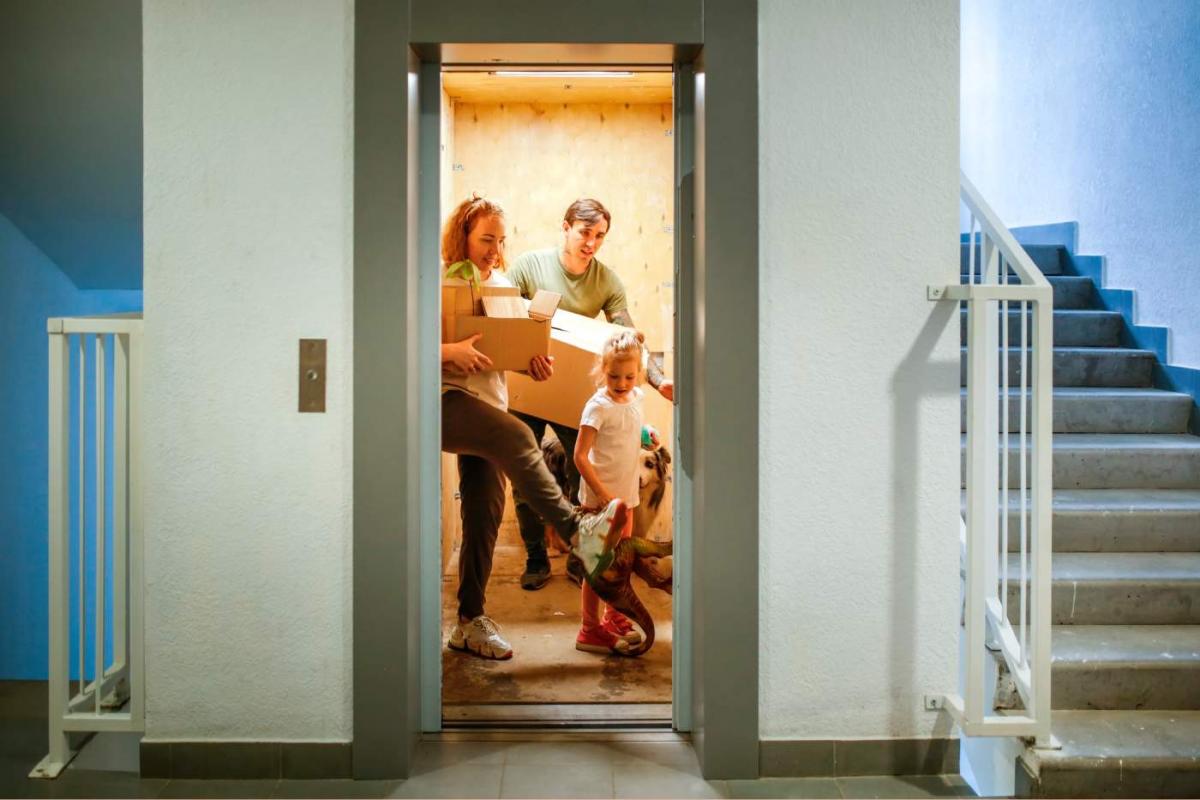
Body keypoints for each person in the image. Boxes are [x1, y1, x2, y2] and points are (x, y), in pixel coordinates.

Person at [439, 195, 624, 660]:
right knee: (520, 436)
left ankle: (469, 623)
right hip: (442, 399)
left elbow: (502, 350)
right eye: (485, 239)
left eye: (500, 240)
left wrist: (529, 364)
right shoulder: (438, 281)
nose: (494, 250)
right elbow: (401, 341)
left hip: (486, 402)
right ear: (461, 234)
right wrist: (448, 353)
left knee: (482, 514)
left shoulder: (499, 284)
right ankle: (580, 535)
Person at [507, 199, 674, 591]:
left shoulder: (607, 282)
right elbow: (503, 320)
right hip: (525, 390)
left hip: (571, 396)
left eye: (599, 236)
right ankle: (535, 557)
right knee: (525, 474)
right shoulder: (530, 267)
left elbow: (628, 338)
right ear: (565, 226)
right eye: (585, 233)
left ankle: (581, 556)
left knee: (579, 474)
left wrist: (658, 379)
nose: (591, 243)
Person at [572, 329, 649, 653]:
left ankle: (612, 616)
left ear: (638, 373)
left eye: (629, 377)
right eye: (614, 376)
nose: (621, 384)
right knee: (598, 567)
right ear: (602, 370)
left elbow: (629, 430)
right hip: (600, 503)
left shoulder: (636, 398)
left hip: (626, 499)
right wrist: (602, 496)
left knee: (619, 563)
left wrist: (647, 434)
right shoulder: (597, 406)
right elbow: (579, 456)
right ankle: (589, 629)